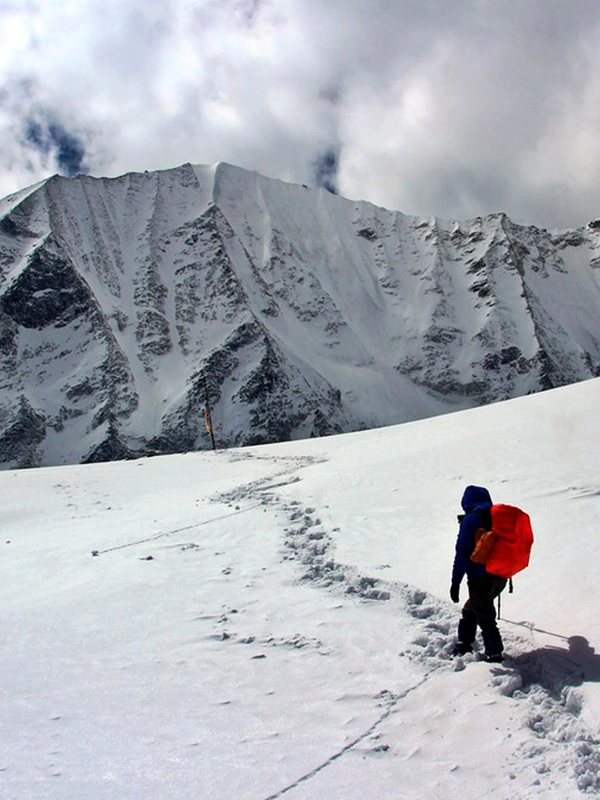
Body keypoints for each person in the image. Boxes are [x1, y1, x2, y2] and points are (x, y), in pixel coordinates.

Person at [450, 485, 506, 662]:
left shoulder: (472, 519)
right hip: (501, 575)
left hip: (480, 577)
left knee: (484, 614)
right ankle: (465, 642)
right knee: (473, 607)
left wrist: (456, 581)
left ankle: (494, 652)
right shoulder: (497, 517)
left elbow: (462, 552)